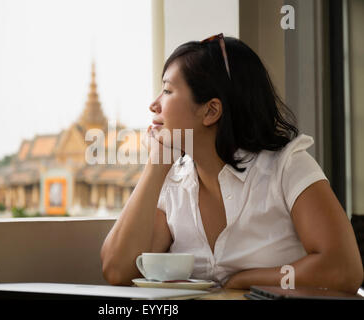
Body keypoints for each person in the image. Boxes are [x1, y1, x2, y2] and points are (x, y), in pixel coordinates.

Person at [100, 34, 363, 293]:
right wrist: (156, 166)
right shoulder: (174, 184)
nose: (154, 105)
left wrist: (245, 280)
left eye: (168, 90)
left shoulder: (287, 167)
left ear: (211, 111)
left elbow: (342, 269)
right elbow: (117, 270)